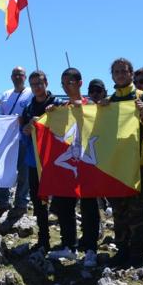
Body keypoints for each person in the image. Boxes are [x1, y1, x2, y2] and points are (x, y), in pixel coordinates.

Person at [104, 58, 143, 267]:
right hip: (116, 164)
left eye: (123, 71)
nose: (120, 74)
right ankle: (122, 249)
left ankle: (138, 252)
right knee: (118, 209)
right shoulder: (111, 101)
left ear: (130, 73)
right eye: (116, 71)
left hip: (139, 162)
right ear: (112, 76)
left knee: (138, 209)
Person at [43, 68, 96, 264]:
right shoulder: (61, 106)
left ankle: (91, 249)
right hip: (67, 163)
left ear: (80, 83)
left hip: (88, 163)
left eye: (70, 83)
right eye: (63, 84)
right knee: (65, 205)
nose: (66, 87)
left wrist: (84, 108)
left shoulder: (91, 104)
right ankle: (69, 245)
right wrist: (50, 114)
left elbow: (98, 123)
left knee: (89, 206)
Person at [7, 70, 59, 251]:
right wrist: (27, 128)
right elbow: (23, 135)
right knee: (39, 202)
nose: (37, 87)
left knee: (62, 202)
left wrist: (50, 117)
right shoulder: (28, 108)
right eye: (33, 84)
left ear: (46, 83)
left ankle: (68, 242)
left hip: (56, 161)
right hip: (34, 161)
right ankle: (43, 239)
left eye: (40, 83)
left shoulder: (56, 104)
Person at [0, 67, 33, 220]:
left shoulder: (30, 93)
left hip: (24, 139)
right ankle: (3, 203)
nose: (18, 77)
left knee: (24, 174)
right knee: (3, 173)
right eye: (15, 75)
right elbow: (0, 116)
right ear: (11, 77)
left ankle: (21, 204)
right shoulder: (6, 94)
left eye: (20, 74)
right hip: (7, 140)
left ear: (25, 77)